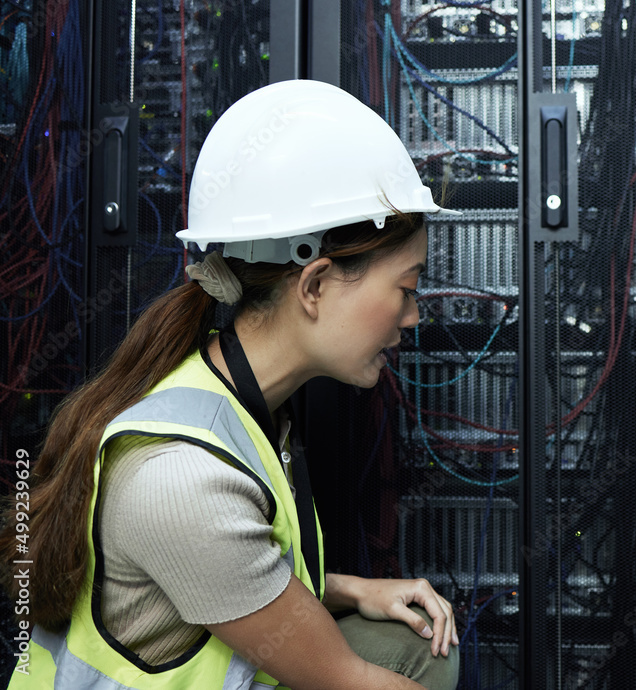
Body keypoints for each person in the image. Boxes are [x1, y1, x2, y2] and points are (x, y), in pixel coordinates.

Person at [0, 80, 461, 688]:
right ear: (316, 285)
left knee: (416, 644)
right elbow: (349, 681)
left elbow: (218, 574)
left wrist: (350, 588)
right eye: (406, 289)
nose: (414, 316)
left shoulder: (237, 403)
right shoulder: (183, 476)